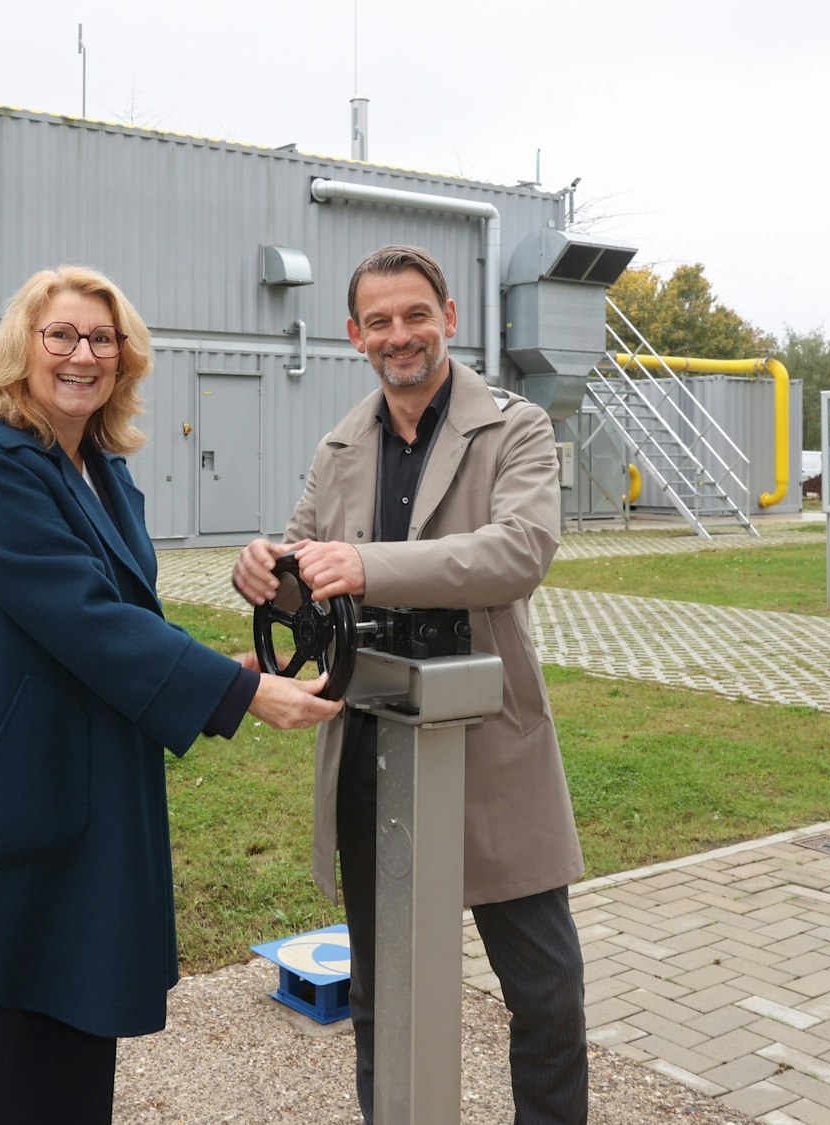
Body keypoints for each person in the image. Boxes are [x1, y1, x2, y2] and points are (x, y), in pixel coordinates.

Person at [0, 266, 342, 1123]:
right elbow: (84, 616)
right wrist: (239, 701)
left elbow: (125, 620)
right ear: (22, 350)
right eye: (60, 335)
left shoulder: (99, 468)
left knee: (71, 1038)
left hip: (83, 792)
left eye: (101, 338)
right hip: (6, 799)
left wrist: (224, 671)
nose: (81, 354)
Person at [231, 244, 588, 1125]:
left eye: (416, 315)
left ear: (450, 318)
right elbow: (308, 574)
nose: (401, 336)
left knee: (545, 988)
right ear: (355, 335)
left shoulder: (516, 428)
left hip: (488, 741)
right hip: (372, 738)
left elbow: (518, 553)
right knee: (381, 989)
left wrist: (365, 564)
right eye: (380, 321)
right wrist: (265, 569)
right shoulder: (340, 445)